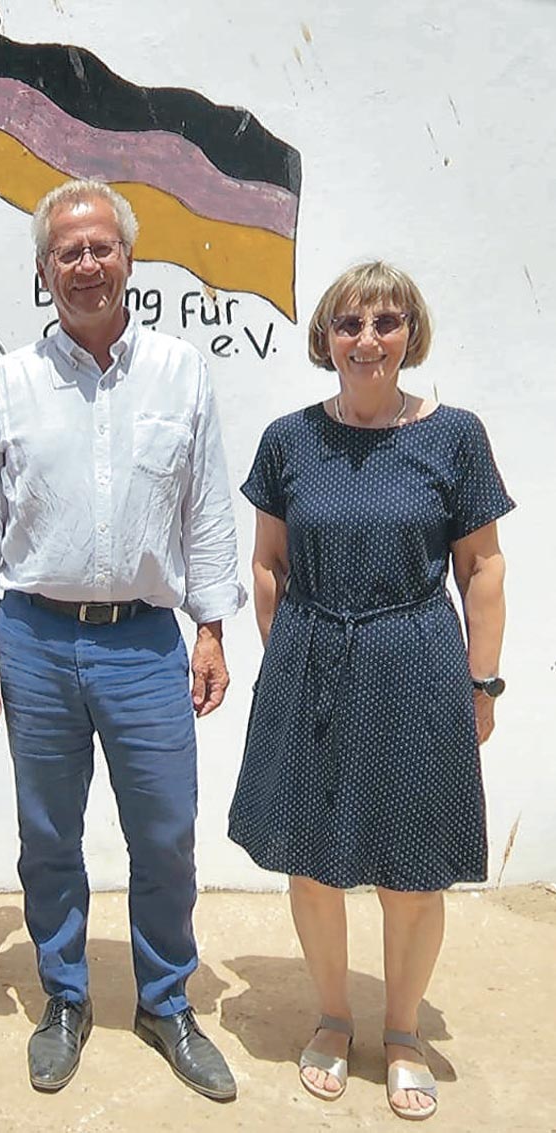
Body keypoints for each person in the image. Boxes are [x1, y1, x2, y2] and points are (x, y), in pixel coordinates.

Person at [0, 179, 244, 1099]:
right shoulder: (8, 382)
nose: (85, 264)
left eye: (100, 248)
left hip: (146, 642)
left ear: (128, 258)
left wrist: (211, 629)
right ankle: (66, 997)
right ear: (45, 273)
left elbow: (206, 509)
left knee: (164, 833)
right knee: (48, 834)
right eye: (66, 253)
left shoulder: (181, 373)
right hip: (34, 637)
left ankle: (165, 1000)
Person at [228, 261, 512, 1121]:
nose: (367, 338)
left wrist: (483, 683)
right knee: (313, 863)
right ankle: (332, 1015)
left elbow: (483, 568)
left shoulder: (454, 436)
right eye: (349, 323)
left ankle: (400, 1032)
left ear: (409, 334)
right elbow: (269, 563)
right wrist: (291, 663)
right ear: (326, 338)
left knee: (412, 870)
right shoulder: (287, 439)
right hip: (313, 656)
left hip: (417, 660)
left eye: (386, 322)